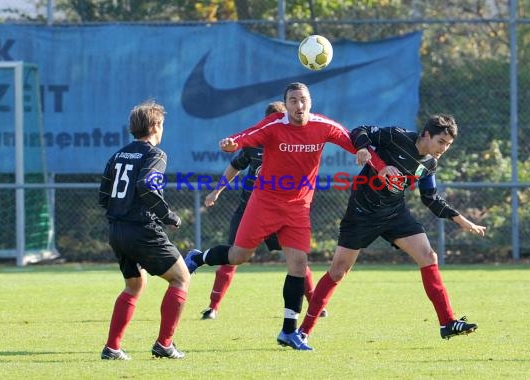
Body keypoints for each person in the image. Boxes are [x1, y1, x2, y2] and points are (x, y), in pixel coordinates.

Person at [185, 82, 384, 350]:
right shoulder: (274, 125)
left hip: (298, 207)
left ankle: (288, 331)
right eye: (293, 101)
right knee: (237, 256)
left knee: (299, 265)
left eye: (303, 100)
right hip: (264, 202)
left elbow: (354, 141)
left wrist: (377, 162)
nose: (299, 106)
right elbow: (248, 135)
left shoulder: (323, 125)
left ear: (310, 102)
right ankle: (199, 257)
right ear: (286, 104)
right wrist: (234, 142)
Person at [297, 114, 486, 348]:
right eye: (441, 142)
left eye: (448, 145)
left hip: (395, 214)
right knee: (338, 271)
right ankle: (303, 331)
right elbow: (360, 130)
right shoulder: (396, 136)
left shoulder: (429, 164)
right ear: (426, 134)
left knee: (428, 257)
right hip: (361, 214)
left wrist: (461, 220)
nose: (444, 149)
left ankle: (447, 322)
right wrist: (365, 149)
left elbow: (431, 199)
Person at [200, 101, 327, 321]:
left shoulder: (296, 143)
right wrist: (216, 191)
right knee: (233, 256)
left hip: (282, 211)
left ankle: (314, 303)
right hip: (251, 209)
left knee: (297, 259)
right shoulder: (255, 142)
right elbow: (235, 166)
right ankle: (213, 307)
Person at [99, 100, 190, 360]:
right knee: (181, 278)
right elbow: (147, 186)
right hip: (142, 229)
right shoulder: (155, 154)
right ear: (156, 125)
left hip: (117, 230)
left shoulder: (118, 155)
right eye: (162, 125)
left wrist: (119, 214)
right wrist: (168, 216)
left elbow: (104, 195)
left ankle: (112, 348)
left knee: (134, 285)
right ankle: (164, 344)